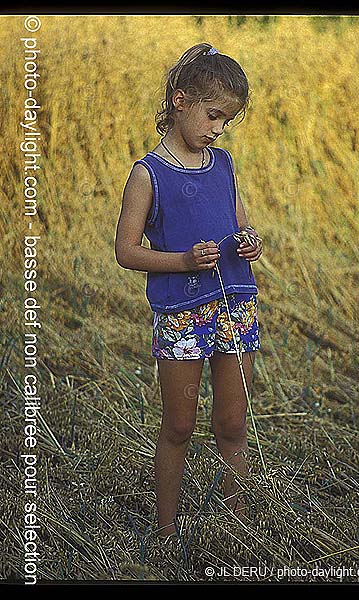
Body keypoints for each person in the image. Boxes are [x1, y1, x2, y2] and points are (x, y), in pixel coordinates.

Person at [115, 43, 263, 539]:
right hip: (181, 316)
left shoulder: (223, 165)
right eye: (213, 115)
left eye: (227, 121)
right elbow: (126, 251)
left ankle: (236, 527)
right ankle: (165, 531)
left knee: (233, 426)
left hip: (235, 306)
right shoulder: (147, 174)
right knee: (178, 426)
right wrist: (181, 261)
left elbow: (238, 223)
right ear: (180, 100)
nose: (218, 129)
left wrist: (248, 242)